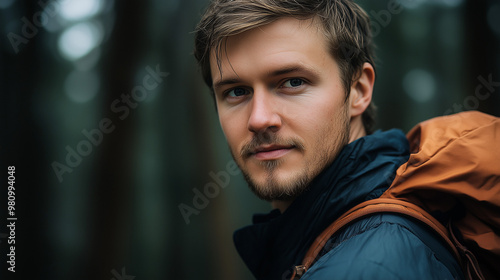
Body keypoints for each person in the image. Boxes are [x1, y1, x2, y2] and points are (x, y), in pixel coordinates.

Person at [194, 0, 464, 279]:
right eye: (236, 91)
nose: (259, 119)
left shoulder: (368, 268)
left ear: (358, 90)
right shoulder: (330, 244)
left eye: (293, 82)